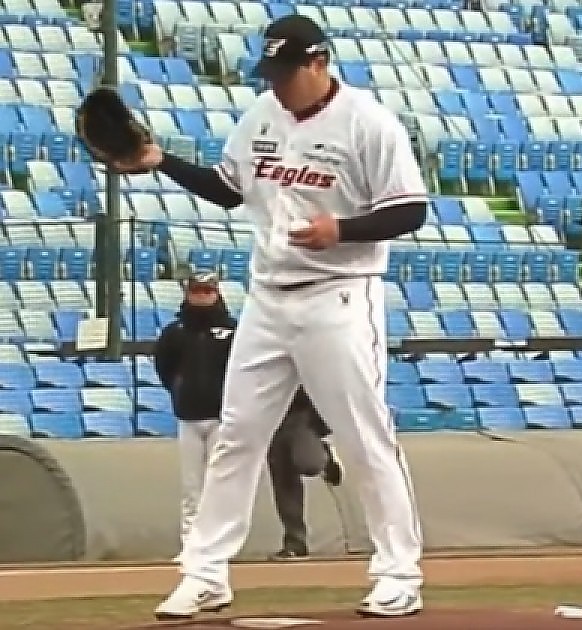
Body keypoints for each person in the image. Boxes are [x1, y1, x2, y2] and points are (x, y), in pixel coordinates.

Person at [112, 15, 428, 620]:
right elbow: (228, 188)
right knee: (236, 436)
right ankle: (205, 573)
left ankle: (398, 575)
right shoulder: (262, 115)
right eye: (271, 72)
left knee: (363, 438)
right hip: (267, 298)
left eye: (287, 71)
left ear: (319, 63)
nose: (277, 83)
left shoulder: (368, 123)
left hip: (339, 295)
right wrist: (161, 160)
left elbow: (411, 209)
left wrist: (342, 229)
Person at [152, 271, 237, 555]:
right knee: (191, 486)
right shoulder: (175, 331)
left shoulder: (232, 331)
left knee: (219, 483)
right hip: (188, 417)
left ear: (216, 293)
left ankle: (218, 545)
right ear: (188, 294)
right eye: (197, 291)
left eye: (207, 291)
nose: (202, 297)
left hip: (221, 417)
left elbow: (241, 370)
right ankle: (191, 545)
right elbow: (164, 366)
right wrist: (180, 390)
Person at [267, 387, 344, 561]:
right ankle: (295, 543)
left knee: (309, 463)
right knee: (283, 479)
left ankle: (324, 456)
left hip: (300, 410)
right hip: (269, 415)